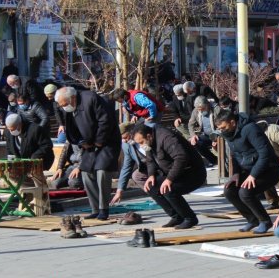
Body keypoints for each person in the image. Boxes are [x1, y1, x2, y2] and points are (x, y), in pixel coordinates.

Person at [55, 87, 121, 220]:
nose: (63, 108)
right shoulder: (69, 108)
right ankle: (95, 208)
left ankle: (104, 208)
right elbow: (72, 130)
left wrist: (98, 141)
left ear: (72, 98)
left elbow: (105, 121)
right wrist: (81, 142)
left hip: (106, 142)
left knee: (102, 171)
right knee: (86, 172)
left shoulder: (91, 99)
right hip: (88, 143)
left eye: (64, 104)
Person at [217, 110, 279, 234]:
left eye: (224, 127)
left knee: (245, 192)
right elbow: (235, 154)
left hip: (269, 169)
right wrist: (235, 173)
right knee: (229, 190)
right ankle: (252, 219)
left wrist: (253, 175)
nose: (222, 130)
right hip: (249, 169)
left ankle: (265, 221)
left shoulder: (250, 129)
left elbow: (265, 154)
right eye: (220, 128)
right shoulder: (229, 134)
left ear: (232, 122)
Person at [132, 123, 206, 229]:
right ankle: (176, 216)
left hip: (192, 173)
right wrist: (151, 175)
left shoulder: (166, 137)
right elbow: (150, 160)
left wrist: (169, 179)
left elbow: (181, 158)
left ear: (148, 136)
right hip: (176, 173)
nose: (141, 146)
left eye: (141, 142)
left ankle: (190, 218)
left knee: (168, 189)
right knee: (151, 187)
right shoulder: (150, 141)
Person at [111, 122, 150, 206]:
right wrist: (119, 190)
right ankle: (156, 194)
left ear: (132, 132)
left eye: (125, 137)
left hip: (159, 164)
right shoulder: (126, 145)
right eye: (122, 139)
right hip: (147, 167)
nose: (124, 140)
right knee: (136, 175)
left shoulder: (145, 136)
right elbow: (126, 167)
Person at [187, 96, 220, 167]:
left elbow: (222, 125)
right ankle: (214, 160)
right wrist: (193, 135)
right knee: (195, 142)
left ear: (207, 105)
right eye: (199, 110)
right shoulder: (196, 111)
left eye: (202, 109)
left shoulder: (216, 109)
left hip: (218, 135)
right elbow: (190, 124)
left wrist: (216, 136)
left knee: (219, 144)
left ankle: (223, 160)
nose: (201, 111)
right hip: (206, 135)